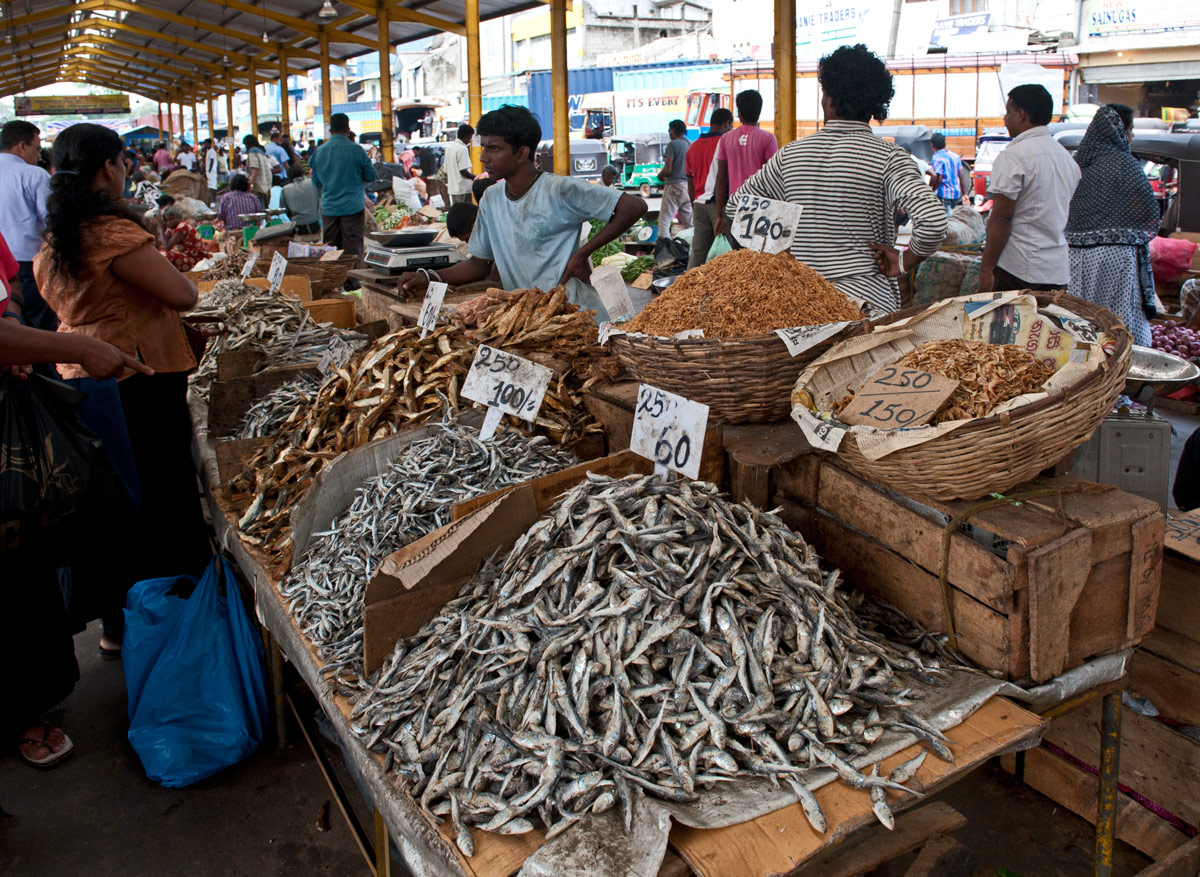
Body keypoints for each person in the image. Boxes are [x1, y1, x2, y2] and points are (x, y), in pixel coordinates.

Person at [35, 122, 211, 661]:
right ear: (110, 167)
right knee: (159, 498)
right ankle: (177, 619)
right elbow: (182, 293)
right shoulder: (109, 234)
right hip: (136, 380)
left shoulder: (59, 235)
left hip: (85, 379)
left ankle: (118, 624)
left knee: (113, 505)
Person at [728, 44, 947, 313]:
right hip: (867, 307)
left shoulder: (791, 155)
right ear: (876, 103)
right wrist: (903, 261)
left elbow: (735, 206)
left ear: (828, 98)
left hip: (804, 309)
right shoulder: (889, 157)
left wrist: (784, 250)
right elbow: (933, 222)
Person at [398, 105, 645, 296]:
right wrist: (428, 276)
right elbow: (478, 266)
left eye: (494, 149)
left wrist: (581, 255)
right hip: (528, 317)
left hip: (574, 312)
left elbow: (634, 207)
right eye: (483, 148)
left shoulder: (559, 189)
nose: (483, 157)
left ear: (521, 153)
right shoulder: (491, 199)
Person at [1066, 104, 1159, 347]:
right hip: (1116, 256)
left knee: (1082, 316)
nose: (1132, 136)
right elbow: (1147, 212)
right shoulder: (1126, 165)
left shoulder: (1079, 164)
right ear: (1120, 130)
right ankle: (1118, 366)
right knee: (1117, 317)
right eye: (1130, 130)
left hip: (1076, 256)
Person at [978, 84, 1081, 293]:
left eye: (1008, 112)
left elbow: (1001, 218)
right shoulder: (1066, 158)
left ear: (1021, 114)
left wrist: (986, 270)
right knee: (1046, 326)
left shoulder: (1014, 156)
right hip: (1056, 270)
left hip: (1018, 269)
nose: (1005, 119)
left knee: (1012, 326)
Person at [0, 120, 54, 330]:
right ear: (21, 146)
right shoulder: (34, 174)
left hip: (3, 265)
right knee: (39, 329)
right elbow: (51, 220)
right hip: (27, 265)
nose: (38, 155)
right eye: (36, 148)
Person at [309, 113, 376, 262]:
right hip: (352, 207)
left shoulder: (319, 152)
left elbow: (317, 182)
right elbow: (371, 176)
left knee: (331, 248)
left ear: (330, 130)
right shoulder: (356, 150)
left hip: (329, 208)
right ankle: (352, 283)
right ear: (348, 128)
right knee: (352, 248)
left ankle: (333, 281)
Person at [713, 90, 778, 242]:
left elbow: (721, 179)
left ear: (739, 113)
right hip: (761, 209)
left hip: (735, 208)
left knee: (738, 259)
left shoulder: (725, 139)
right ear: (759, 112)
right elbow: (773, 180)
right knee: (758, 259)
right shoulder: (768, 139)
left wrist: (718, 215)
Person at [686, 107, 734, 269]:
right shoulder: (725, 142)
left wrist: (694, 206)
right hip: (718, 205)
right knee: (725, 255)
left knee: (698, 254)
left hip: (699, 204)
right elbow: (723, 179)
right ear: (726, 124)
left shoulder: (693, 147)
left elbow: (690, 181)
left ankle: (685, 291)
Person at [657, 119, 693, 240]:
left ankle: (663, 251)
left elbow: (668, 169)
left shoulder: (673, 145)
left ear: (674, 130)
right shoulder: (691, 144)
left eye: (669, 130)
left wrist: (660, 176)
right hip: (688, 186)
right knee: (689, 223)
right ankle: (691, 248)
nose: (669, 132)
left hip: (674, 186)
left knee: (664, 221)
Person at [928, 133, 969, 215]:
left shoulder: (936, 158)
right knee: (948, 214)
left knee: (946, 217)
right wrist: (964, 194)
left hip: (944, 193)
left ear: (933, 145)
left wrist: (931, 190)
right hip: (956, 194)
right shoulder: (955, 156)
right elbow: (961, 175)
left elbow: (938, 178)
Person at [159, 204, 208, 272]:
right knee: (159, 251)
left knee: (165, 254)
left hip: (194, 260)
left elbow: (167, 247)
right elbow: (159, 243)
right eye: (166, 220)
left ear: (179, 218)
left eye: (171, 219)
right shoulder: (172, 228)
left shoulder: (183, 226)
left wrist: (161, 229)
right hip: (184, 256)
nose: (168, 222)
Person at [280, 165, 322, 238]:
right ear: (302, 174)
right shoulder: (312, 183)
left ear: (289, 178)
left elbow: (285, 210)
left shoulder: (285, 189)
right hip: (315, 225)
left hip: (298, 227)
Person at [443, 123, 476, 206]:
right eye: (470, 137)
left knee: (457, 213)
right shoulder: (462, 149)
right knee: (465, 213)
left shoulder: (449, 149)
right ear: (466, 136)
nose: (470, 140)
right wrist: (475, 177)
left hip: (453, 189)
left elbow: (445, 169)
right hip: (463, 188)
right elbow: (463, 170)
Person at [241, 134, 274, 208]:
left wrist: (250, 185)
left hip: (258, 186)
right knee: (265, 208)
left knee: (258, 209)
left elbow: (255, 170)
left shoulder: (252, 152)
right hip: (266, 184)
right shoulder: (261, 151)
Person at [203, 137, 221, 202]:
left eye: (206, 144)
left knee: (213, 185)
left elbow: (212, 161)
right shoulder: (208, 151)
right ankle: (211, 199)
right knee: (210, 185)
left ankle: (214, 199)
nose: (205, 145)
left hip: (211, 171)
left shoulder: (212, 151)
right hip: (209, 170)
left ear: (209, 144)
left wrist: (209, 170)